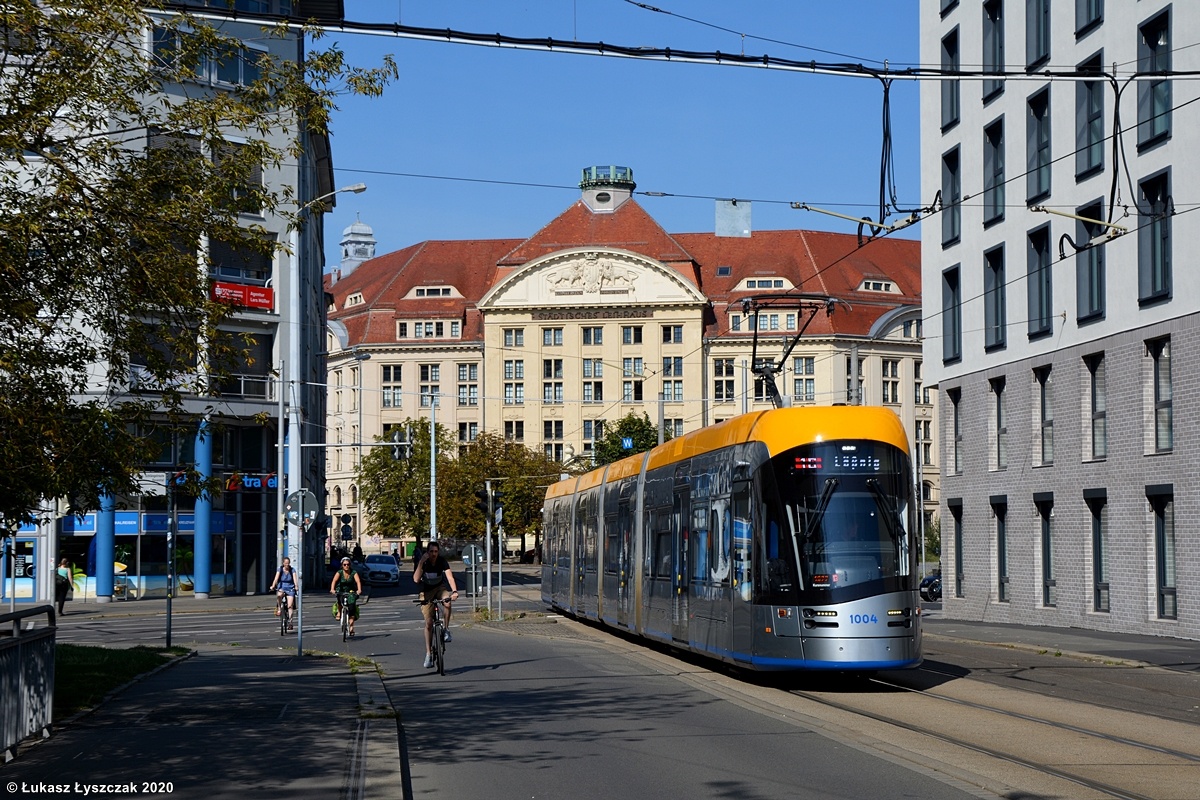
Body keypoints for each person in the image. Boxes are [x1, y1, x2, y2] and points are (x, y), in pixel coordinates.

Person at [413, 540, 459, 668]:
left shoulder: (442, 561)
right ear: (427, 552)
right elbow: (416, 579)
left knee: (447, 602)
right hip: (425, 592)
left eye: (436, 551)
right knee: (428, 623)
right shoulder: (424, 562)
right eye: (431, 551)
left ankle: (446, 629)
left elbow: (450, 577)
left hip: (439, 588)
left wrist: (454, 591)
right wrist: (421, 562)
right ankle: (428, 654)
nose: (434, 554)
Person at [329, 556, 363, 636]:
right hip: (341, 590)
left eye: (348, 564)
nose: (346, 566)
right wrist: (332, 589)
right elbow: (334, 581)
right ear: (342, 565)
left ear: (350, 565)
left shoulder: (353, 572)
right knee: (340, 600)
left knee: (351, 607)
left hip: (351, 591)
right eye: (344, 564)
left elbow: (358, 581)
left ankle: (351, 627)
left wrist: (359, 590)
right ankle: (339, 612)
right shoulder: (339, 572)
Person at [269, 556, 298, 627]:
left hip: (290, 588)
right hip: (281, 587)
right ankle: (279, 608)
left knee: (290, 606)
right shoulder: (280, 569)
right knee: (279, 595)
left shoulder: (292, 570)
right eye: (285, 563)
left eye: (288, 563)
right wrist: (273, 586)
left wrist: (296, 586)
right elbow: (276, 578)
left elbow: (295, 579)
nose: (287, 565)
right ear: (283, 563)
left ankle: (290, 622)